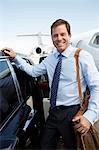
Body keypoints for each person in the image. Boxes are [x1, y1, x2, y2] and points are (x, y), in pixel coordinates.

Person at [1, 19, 99, 150]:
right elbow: (33, 71)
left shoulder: (81, 56)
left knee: (73, 147)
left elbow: (96, 86)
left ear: (69, 35)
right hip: (53, 113)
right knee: (45, 145)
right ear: (52, 38)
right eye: (55, 35)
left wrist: (90, 116)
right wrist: (15, 58)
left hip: (72, 112)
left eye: (62, 34)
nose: (59, 38)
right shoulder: (51, 58)